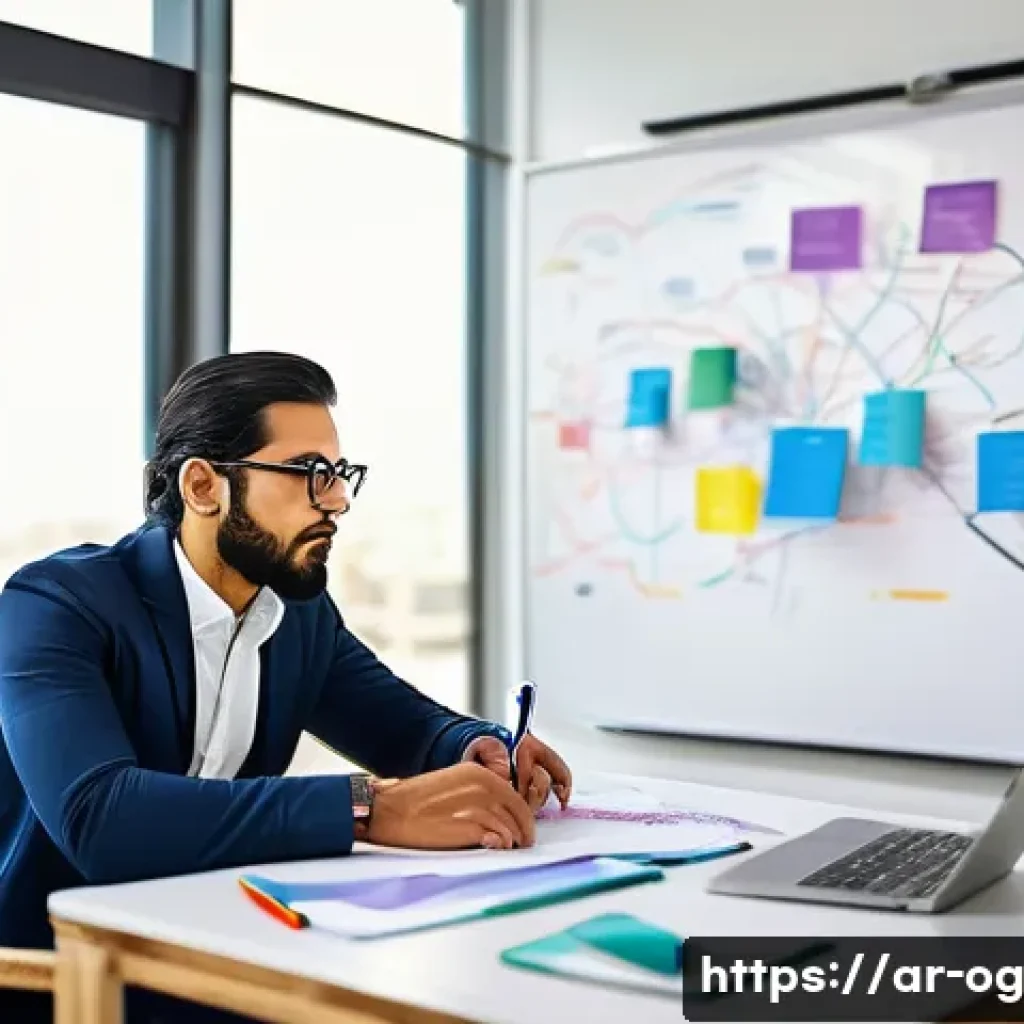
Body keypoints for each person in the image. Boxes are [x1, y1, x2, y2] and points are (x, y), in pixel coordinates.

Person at [0, 351, 572, 1021]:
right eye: (308, 474)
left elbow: (403, 725)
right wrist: (369, 806)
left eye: (339, 474)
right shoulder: (56, 605)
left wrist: (476, 746)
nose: (337, 501)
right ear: (204, 487)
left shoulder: (295, 613)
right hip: (58, 975)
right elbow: (100, 817)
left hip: (214, 944)